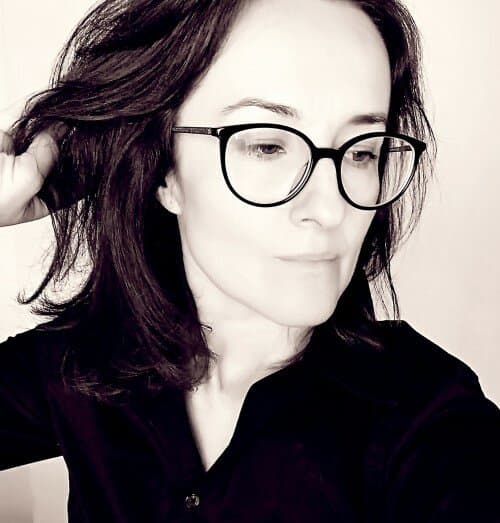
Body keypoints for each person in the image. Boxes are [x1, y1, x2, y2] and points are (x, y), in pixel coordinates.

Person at [1, 0, 499, 521]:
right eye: (266, 146)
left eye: (361, 152)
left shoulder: (430, 424)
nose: (332, 209)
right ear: (163, 170)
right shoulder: (85, 363)